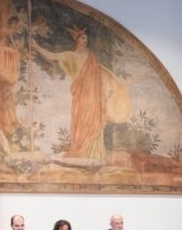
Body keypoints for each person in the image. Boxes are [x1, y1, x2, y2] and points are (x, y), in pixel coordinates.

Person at [31, 27, 131, 163]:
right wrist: (37, 47)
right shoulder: (70, 56)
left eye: (86, 39)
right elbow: (53, 56)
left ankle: (94, 154)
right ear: (77, 40)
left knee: (93, 121)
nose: (85, 41)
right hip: (81, 95)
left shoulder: (91, 57)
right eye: (82, 38)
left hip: (94, 96)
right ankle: (81, 151)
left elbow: (98, 77)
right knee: (81, 122)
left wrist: (104, 93)